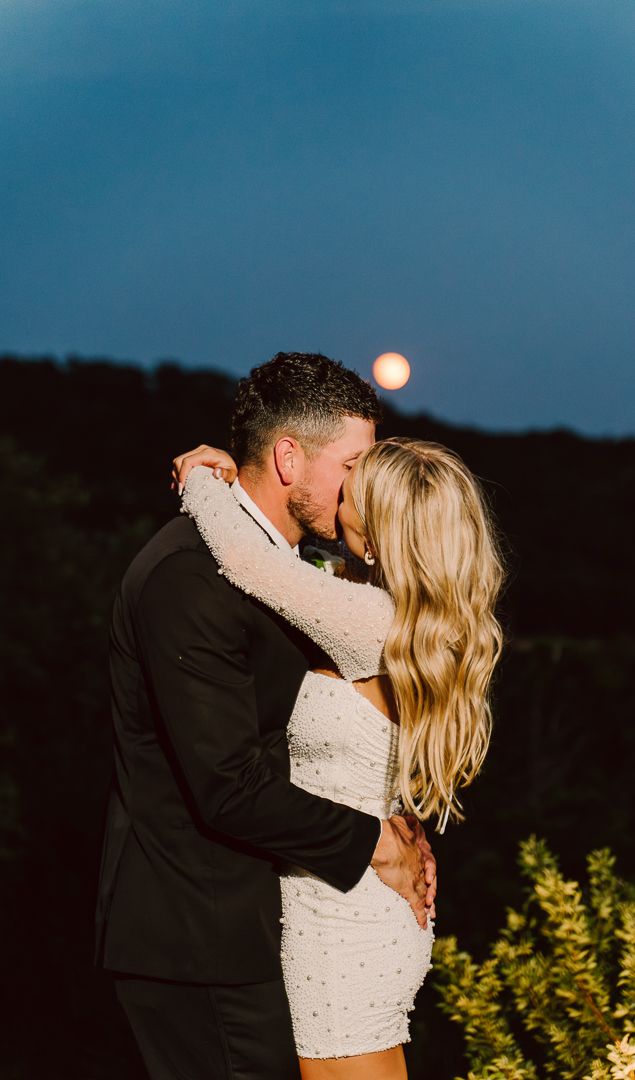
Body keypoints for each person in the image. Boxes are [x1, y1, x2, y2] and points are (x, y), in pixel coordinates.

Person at [95, 353, 436, 1080]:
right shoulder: (191, 576)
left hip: (258, 928)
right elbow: (226, 785)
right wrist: (374, 842)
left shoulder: (293, 572)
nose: (363, 487)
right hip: (200, 936)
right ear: (288, 458)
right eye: (353, 465)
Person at [178, 433, 504, 1079]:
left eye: (352, 491)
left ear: (378, 534)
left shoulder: (367, 619)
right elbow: (312, 573)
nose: (337, 497)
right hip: (359, 897)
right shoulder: (422, 623)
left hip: (341, 919)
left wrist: (201, 482)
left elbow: (245, 559)